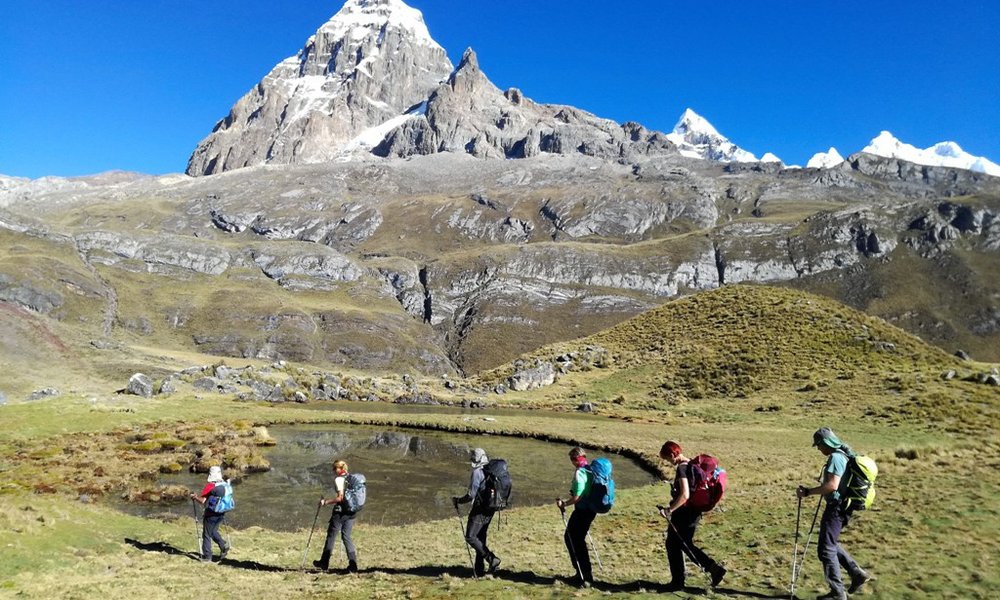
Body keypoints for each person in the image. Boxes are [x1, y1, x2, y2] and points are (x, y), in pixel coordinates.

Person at [796, 428, 871, 600]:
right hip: (843, 507)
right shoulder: (843, 456)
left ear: (825, 443)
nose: (818, 449)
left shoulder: (835, 458)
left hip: (837, 508)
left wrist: (807, 492)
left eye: (818, 445)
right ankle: (856, 573)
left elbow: (832, 486)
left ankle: (838, 593)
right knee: (829, 543)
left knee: (826, 549)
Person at [658, 441, 726, 591]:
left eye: (667, 459)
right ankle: (712, 569)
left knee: (673, 544)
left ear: (672, 455)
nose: (668, 463)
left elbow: (685, 495)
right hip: (693, 512)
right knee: (684, 544)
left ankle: (678, 582)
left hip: (684, 513)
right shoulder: (691, 464)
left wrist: (669, 510)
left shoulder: (682, 468)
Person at [452, 448, 501, 576]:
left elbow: (471, 495)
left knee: (470, 536)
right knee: (480, 537)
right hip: (491, 509)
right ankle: (479, 570)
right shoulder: (491, 470)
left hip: (480, 509)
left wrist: (458, 501)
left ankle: (492, 559)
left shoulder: (477, 472)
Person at [555, 446, 596, 588]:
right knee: (577, 540)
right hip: (590, 510)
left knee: (572, 539)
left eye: (572, 459)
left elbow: (577, 497)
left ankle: (583, 575)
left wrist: (564, 504)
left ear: (574, 459)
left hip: (582, 511)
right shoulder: (590, 469)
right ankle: (585, 574)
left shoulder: (580, 472)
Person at [313, 459, 359, 573]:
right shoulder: (351, 478)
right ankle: (353, 564)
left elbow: (340, 498)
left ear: (340, 469)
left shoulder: (339, 479)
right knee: (346, 536)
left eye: (335, 468)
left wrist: (326, 502)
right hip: (351, 512)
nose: (333, 471)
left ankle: (324, 563)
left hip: (340, 512)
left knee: (331, 536)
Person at [190, 465, 230, 563]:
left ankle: (207, 557)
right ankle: (223, 545)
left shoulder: (210, 486)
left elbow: (203, 501)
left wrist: (195, 497)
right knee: (213, 531)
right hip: (222, 512)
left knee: (207, 534)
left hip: (211, 513)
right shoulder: (225, 484)